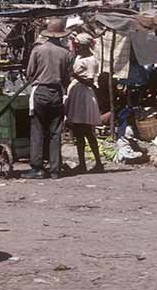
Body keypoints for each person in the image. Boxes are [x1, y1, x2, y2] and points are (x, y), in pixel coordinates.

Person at [24, 18, 74, 179]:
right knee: (55, 132)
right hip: (57, 93)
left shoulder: (38, 50)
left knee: (38, 130)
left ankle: (37, 168)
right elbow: (68, 77)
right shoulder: (67, 53)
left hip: (41, 91)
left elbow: (30, 73)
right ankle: (55, 169)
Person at [65, 33, 103, 173]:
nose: (77, 48)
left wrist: (74, 75)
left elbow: (90, 82)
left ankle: (98, 162)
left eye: (79, 46)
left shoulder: (91, 60)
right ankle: (82, 164)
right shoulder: (79, 57)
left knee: (87, 131)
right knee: (78, 131)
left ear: (85, 46)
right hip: (76, 95)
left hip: (84, 96)